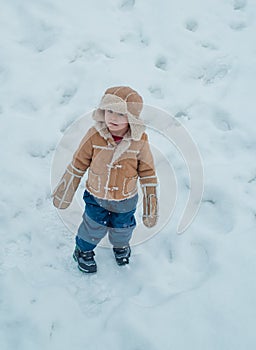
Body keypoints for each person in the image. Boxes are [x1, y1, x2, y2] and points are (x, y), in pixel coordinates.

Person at [52, 86, 158, 273]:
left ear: (131, 118)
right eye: (109, 111)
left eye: (120, 114)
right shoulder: (95, 135)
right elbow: (78, 163)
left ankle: (120, 246)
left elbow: (147, 170)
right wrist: (66, 191)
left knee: (123, 227)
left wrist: (151, 201)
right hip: (96, 195)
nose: (113, 118)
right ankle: (83, 251)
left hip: (126, 197)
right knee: (93, 225)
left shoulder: (139, 140)